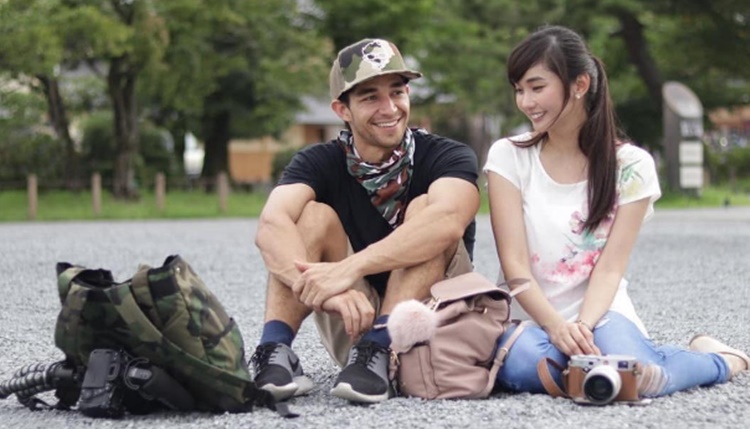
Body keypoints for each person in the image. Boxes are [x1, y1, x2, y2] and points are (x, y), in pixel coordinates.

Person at [484, 25, 749, 398]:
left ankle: (724, 360)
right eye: (519, 90)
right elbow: (514, 265)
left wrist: (583, 327)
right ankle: (602, 374)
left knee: (637, 372)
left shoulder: (632, 166)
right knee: (526, 364)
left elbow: (610, 269)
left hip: (602, 312)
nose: (526, 102)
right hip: (530, 317)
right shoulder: (508, 156)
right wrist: (557, 327)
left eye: (537, 87)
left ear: (579, 85)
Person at [250, 38, 480, 404]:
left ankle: (380, 345)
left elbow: (448, 220)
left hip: (435, 325)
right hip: (355, 325)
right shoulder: (318, 161)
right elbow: (271, 224)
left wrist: (350, 268)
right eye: (371, 97)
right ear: (342, 109)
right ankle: (274, 349)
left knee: (426, 211)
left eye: (397, 92)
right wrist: (328, 291)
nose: (389, 108)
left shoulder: (448, 155)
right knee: (309, 217)